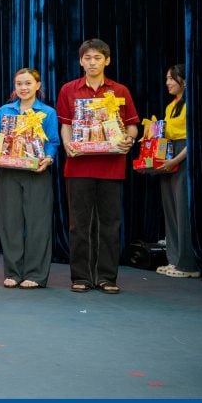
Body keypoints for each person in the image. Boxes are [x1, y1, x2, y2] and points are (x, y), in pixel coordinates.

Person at [57, 38, 139, 294]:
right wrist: (67, 144)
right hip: (79, 166)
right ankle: (80, 277)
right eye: (88, 58)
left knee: (110, 224)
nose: (92, 63)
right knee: (78, 224)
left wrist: (129, 139)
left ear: (107, 60)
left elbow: (132, 125)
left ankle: (107, 277)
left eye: (97, 58)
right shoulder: (69, 89)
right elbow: (66, 125)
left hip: (111, 166)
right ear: (81, 61)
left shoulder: (120, 91)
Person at [0, 68, 60, 289]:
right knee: (10, 223)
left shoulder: (47, 112)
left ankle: (35, 274)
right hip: (9, 172)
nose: (23, 88)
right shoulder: (5, 111)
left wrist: (48, 158)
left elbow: (53, 142)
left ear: (38, 85)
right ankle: (13, 272)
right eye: (19, 83)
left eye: (28, 83)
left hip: (37, 173)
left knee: (38, 224)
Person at [156, 64, 198, 278]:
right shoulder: (171, 105)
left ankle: (188, 264)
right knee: (170, 210)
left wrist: (176, 160)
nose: (168, 83)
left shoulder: (192, 104)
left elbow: (193, 138)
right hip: (169, 155)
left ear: (184, 80)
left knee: (182, 211)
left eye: (172, 78)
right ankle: (174, 259)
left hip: (183, 156)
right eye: (167, 78)